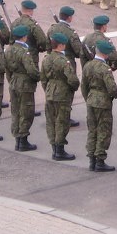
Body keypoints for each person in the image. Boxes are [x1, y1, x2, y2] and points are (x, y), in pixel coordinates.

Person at [40, 32, 80, 161]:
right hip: (62, 94)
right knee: (62, 122)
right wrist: (73, 88)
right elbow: (72, 79)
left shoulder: (46, 58)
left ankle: (54, 147)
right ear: (61, 45)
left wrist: (48, 89)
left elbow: (43, 78)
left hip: (50, 92)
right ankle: (60, 150)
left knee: (51, 122)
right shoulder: (64, 61)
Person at [82, 40, 117, 172]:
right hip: (103, 102)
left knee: (93, 130)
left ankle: (92, 159)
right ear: (105, 53)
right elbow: (112, 88)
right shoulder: (105, 68)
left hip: (91, 99)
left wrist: (88, 98)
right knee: (104, 130)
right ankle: (100, 160)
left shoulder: (88, 65)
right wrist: (115, 94)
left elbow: (84, 86)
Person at [5, 25, 40, 151]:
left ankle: (17, 139)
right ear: (24, 37)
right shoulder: (24, 52)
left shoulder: (9, 50)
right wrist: (38, 77)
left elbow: (7, 69)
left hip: (14, 81)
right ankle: (23, 140)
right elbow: (31, 70)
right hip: (25, 84)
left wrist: (11, 80)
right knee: (26, 112)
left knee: (16, 111)